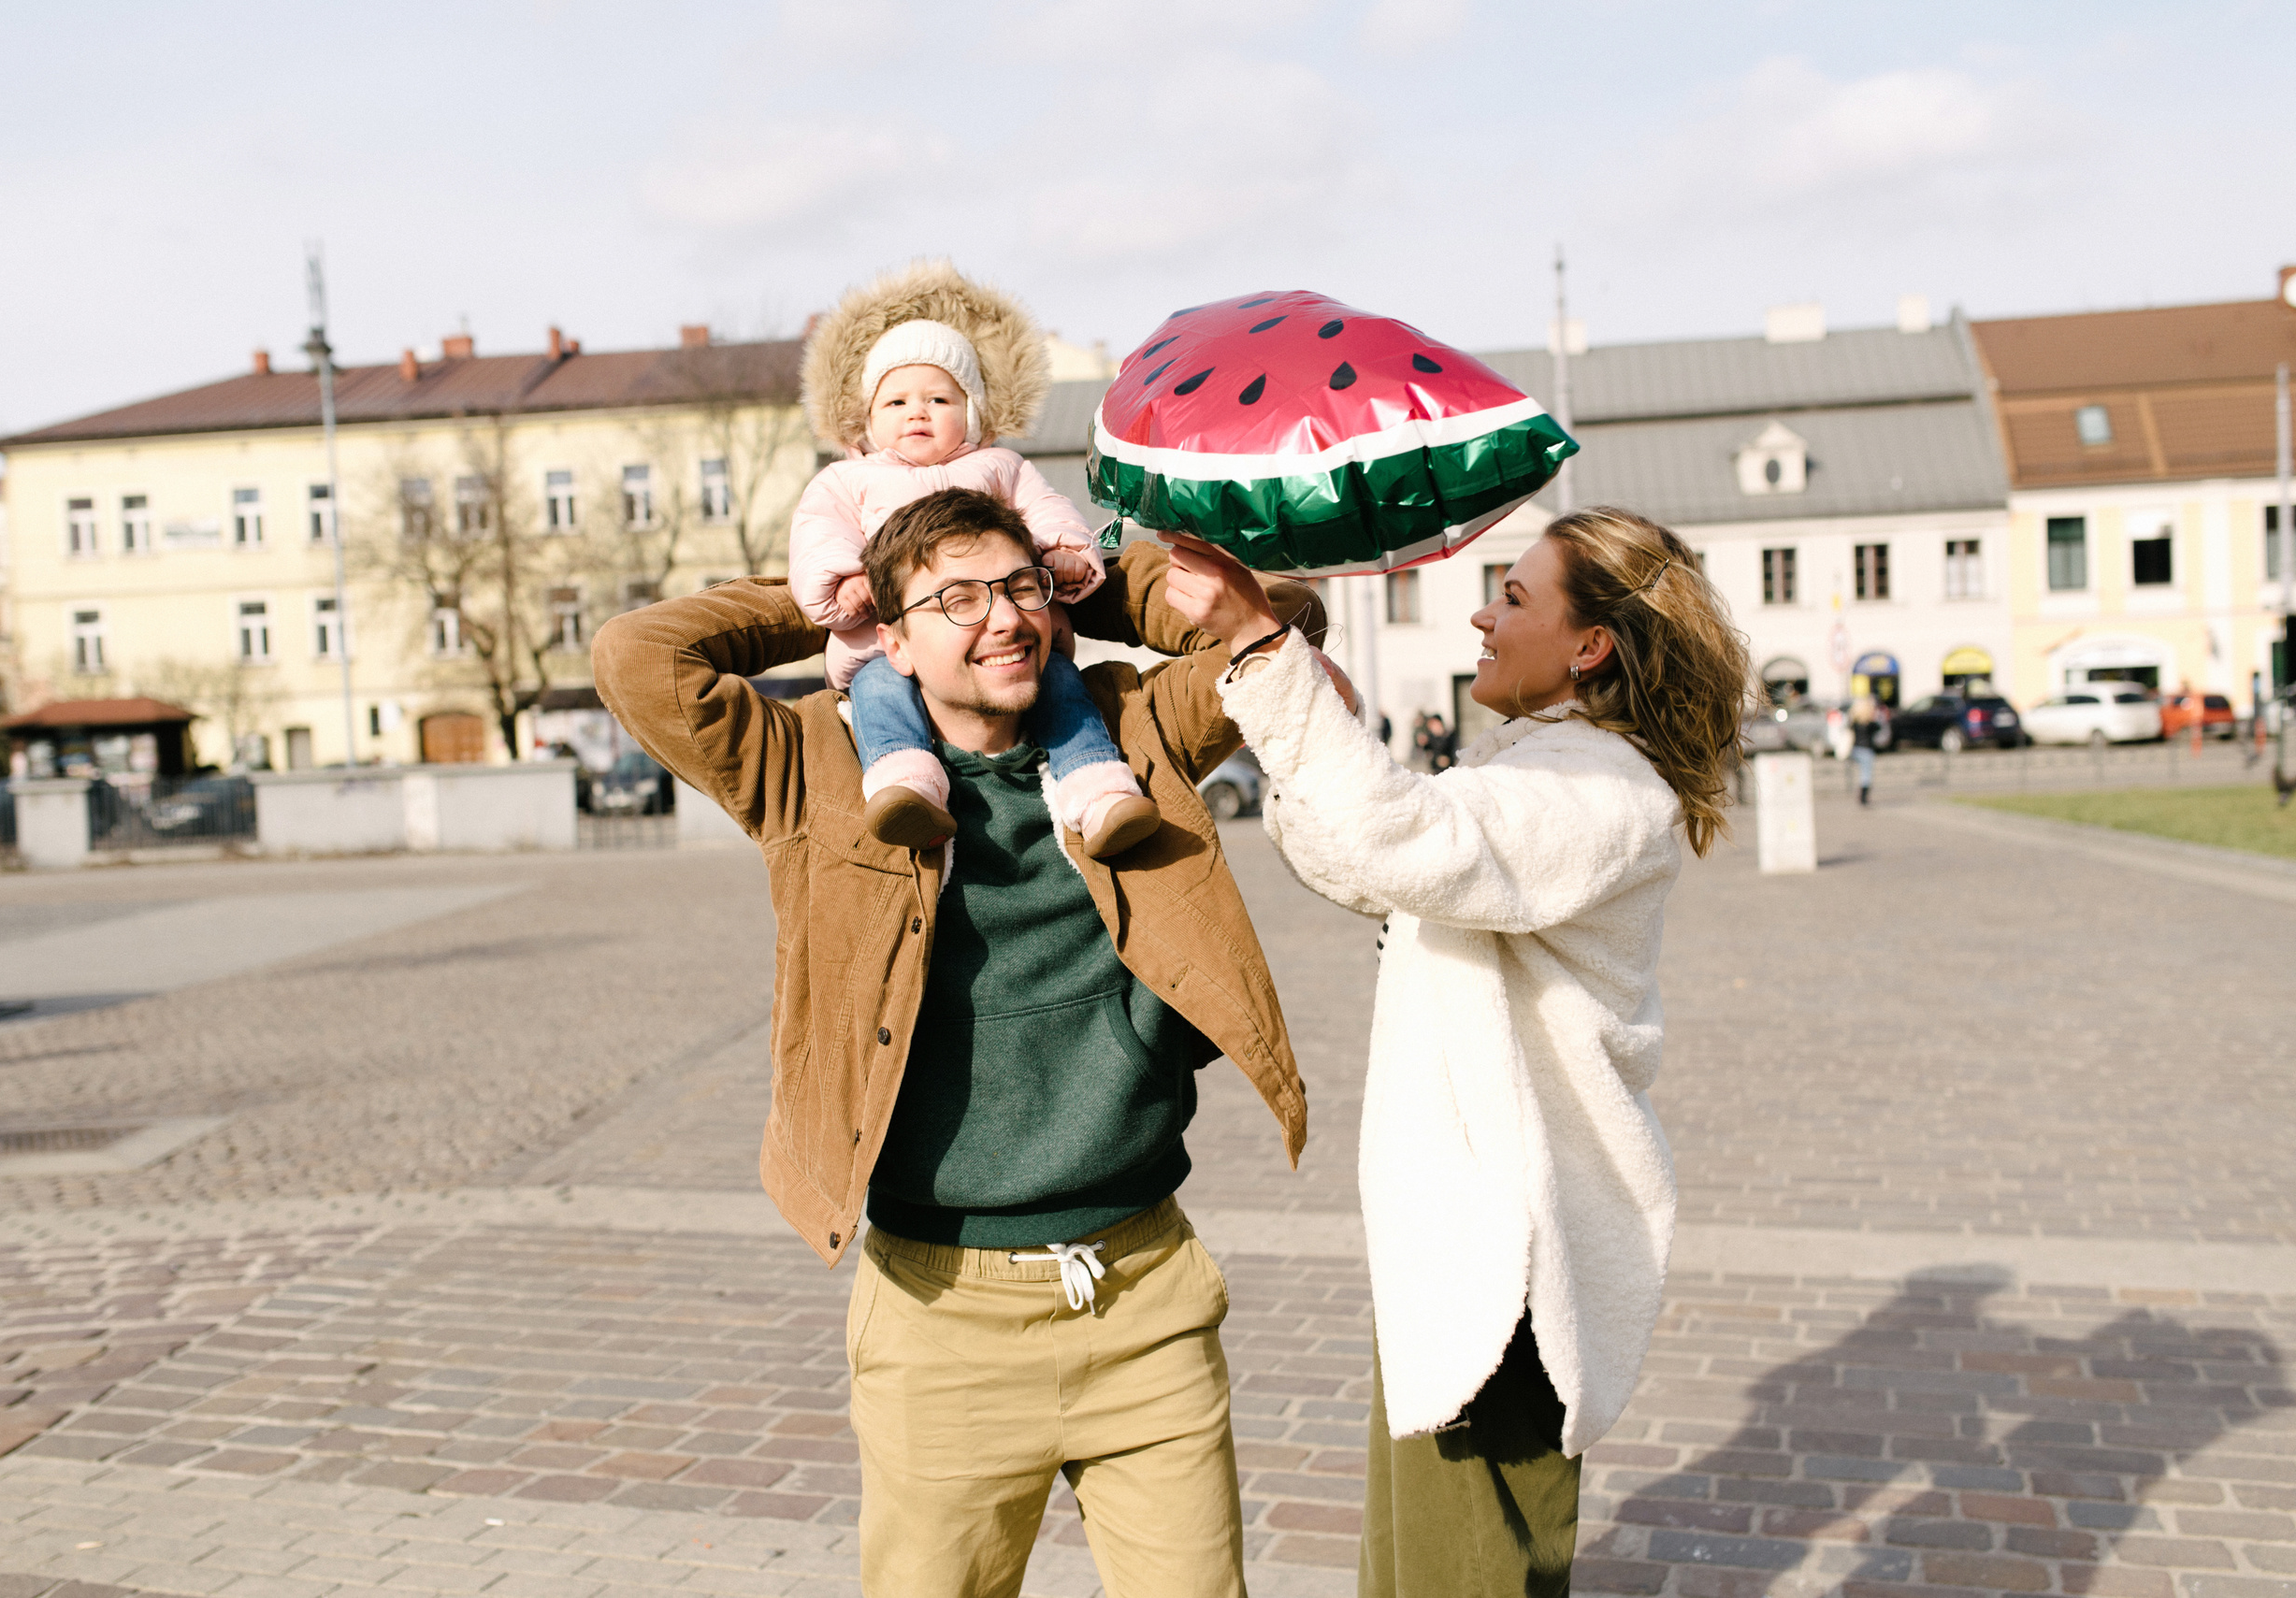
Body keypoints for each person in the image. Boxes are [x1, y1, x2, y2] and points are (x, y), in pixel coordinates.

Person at [593, 487, 1324, 1597]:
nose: (1005, 619)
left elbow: (1283, 623)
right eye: (959, 598)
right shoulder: (812, 764)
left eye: (1019, 588)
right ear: (892, 634)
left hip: (1146, 1298)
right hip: (943, 1325)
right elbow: (637, 656)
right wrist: (829, 600)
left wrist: (1088, 580)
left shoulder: (1132, 729)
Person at [1159, 506, 1751, 1598]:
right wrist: (1310, 718)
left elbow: (1410, 843)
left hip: (1509, 1249)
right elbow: (1375, 863)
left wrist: (1259, 647)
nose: (1482, 612)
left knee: (1461, 1572)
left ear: (1591, 645)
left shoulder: (1596, 783)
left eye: (1516, 596)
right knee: (1419, 1564)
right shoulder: (1546, 764)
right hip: (1469, 1228)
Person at [790, 260, 1160, 857]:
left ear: (973, 412)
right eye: (896, 402)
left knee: (1062, 687)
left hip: (1000, 651)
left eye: (939, 398)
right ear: (864, 419)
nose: (917, 412)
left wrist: (1066, 551)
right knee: (879, 691)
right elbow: (816, 535)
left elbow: (1046, 509)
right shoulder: (849, 480)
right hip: (883, 642)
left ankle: (1098, 789)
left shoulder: (998, 467)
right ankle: (906, 786)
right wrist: (843, 581)